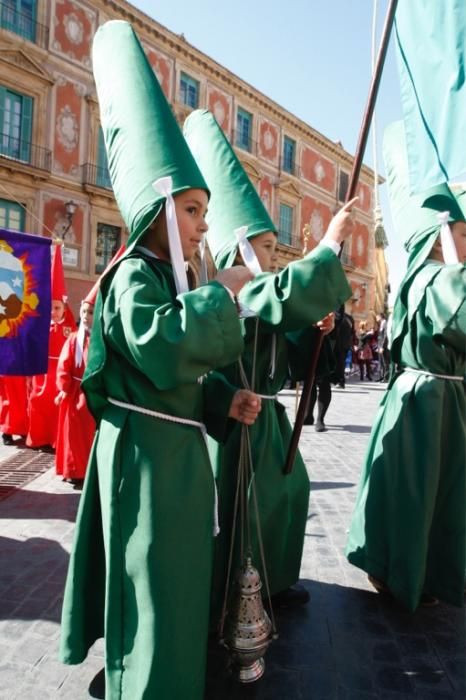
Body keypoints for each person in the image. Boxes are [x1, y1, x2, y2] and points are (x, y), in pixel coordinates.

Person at [59, 22, 261, 700]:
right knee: (148, 584)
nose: (205, 225)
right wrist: (220, 299)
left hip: (170, 451)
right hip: (143, 461)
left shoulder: (165, 277)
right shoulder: (131, 276)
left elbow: (168, 381)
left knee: (174, 582)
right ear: (160, 209)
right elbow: (159, 347)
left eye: (205, 211)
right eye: (195, 209)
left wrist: (220, 401)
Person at [183, 109, 354, 620]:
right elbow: (276, 295)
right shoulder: (235, 287)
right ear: (240, 249)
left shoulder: (263, 290)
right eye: (265, 246)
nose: (272, 254)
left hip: (272, 419)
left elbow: (291, 345)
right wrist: (329, 245)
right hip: (239, 420)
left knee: (289, 493)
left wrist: (317, 333)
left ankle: (275, 580)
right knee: (245, 509)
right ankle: (236, 590)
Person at [346, 121, 466, 612]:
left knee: (421, 490)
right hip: (430, 403)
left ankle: (413, 567)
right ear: (441, 237)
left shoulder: (427, 276)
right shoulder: (439, 280)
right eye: (463, 231)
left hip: (429, 398)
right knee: (421, 491)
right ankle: (411, 573)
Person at [26, 246, 76, 450]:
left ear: (64, 307)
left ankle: (56, 441)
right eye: (50, 307)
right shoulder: (40, 325)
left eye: (57, 308)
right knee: (37, 403)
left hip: (58, 375)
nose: (53, 312)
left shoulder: (70, 328)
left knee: (55, 407)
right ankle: (38, 438)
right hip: (41, 371)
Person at [54, 298, 96, 488]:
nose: (86, 317)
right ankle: (74, 470)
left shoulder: (102, 340)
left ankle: (89, 470)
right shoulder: (73, 339)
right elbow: (64, 365)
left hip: (94, 395)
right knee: (73, 436)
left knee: (90, 436)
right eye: (84, 312)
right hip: (75, 394)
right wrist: (64, 388)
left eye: (91, 312)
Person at [0, 375, 28, 445]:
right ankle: (7, 432)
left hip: (22, 370)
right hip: (7, 370)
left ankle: (22, 429)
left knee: (23, 400)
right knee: (9, 399)